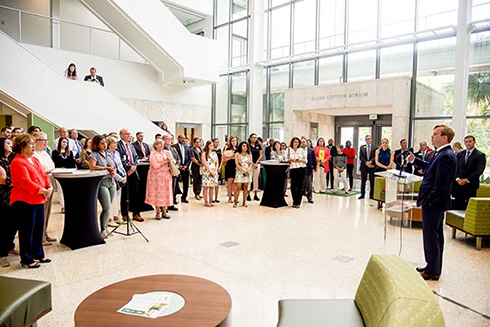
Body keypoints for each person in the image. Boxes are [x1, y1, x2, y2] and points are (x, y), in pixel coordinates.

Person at [407, 124, 457, 280]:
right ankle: (432, 265)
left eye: (435, 134)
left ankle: (433, 271)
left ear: (444, 138)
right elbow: (430, 169)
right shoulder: (441, 154)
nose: (432, 137)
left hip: (434, 203)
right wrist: (415, 160)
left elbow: (441, 185)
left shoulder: (446, 155)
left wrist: (428, 200)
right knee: (434, 236)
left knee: (431, 237)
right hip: (434, 203)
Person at [10, 133, 52, 268]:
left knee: (38, 229)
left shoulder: (34, 159)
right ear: (22, 146)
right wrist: (42, 190)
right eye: (31, 144)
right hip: (24, 201)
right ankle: (27, 259)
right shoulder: (17, 162)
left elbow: (43, 175)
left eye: (34, 144)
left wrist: (49, 186)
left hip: (38, 199)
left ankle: (38, 254)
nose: (34, 146)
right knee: (27, 230)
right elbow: (25, 182)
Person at [88, 135, 116, 237]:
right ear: (97, 145)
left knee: (109, 206)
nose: (105, 145)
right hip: (102, 182)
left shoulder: (108, 153)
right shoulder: (94, 155)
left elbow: (113, 165)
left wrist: (113, 170)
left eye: (105, 143)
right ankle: (102, 229)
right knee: (106, 206)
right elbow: (92, 166)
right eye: (102, 143)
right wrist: (106, 168)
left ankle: (106, 227)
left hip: (111, 181)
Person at [32, 132, 57, 246]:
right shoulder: (34, 155)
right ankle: (40, 236)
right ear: (36, 142)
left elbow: (52, 166)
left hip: (49, 181)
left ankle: (45, 233)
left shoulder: (45, 153)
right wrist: (49, 171)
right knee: (42, 210)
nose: (46, 142)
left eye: (47, 140)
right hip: (41, 183)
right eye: (43, 140)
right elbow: (38, 171)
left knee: (48, 210)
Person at [451, 135, 486, 210]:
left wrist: (467, 180)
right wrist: (457, 178)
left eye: (470, 141)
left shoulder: (480, 155)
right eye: (466, 142)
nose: (468, 143)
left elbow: (479, 170)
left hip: (471, 185)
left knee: (468, 208)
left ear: (474, 142)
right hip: (458, 184)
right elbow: (456, 167)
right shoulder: (460, 154)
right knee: (457, 206)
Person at [116, 129, 143, 222]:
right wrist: (129, 168)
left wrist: (134, 166)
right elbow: (119, 159)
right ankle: (125, 214)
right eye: (126, 134)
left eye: (129, 134)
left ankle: (136, 213)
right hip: (125, 172)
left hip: (133, 171)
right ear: (121, 135)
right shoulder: (118, 145)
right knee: (125, 194)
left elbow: (135, 157)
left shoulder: (131, 145)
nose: (128, 136)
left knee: (135, 193)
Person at [145, 138, 173, 219]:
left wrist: (169, 160)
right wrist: (164, 162)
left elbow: (172, 161)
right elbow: (155, 165)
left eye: (162, 144)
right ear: (155, 145)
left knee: (165, 194)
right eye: (159, 144)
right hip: (156, 177)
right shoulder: (153, 154)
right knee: (157, 194)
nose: (161, 145)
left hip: (166, 175)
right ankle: (157, 212)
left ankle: (164, 211)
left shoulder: (167, 152)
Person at [0, 137, 17, 267]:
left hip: (13, 195)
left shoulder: (12, 159)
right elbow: (3, 180)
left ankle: (10, 247)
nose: (11, 145)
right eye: (7, 143)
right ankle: (2, 255)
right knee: (3, 226)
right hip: (2, 196)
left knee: (13, 224)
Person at [106, 136, 126, 227]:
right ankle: (109, 219)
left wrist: (124, 175)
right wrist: (120, 178)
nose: (116, 144)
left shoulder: (117, 153)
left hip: (120, 177)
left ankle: (116, 216)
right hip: (112, 178)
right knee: (112, 199)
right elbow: (111, 169)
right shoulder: (106, 154)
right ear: (109, 145)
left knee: (118, 198)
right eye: (114, 143)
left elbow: (120, 165)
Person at [286, 137, 307, 208]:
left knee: (300, 186)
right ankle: (294, 201)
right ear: (292, 142)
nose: (296, 143)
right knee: (293, 186)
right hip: (293, 168)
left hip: (301, 168)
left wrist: (300, 160)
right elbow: (286, 159)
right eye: (295, 142)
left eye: (298, 142)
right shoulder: (288, 149)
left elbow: (305, 160)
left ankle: (298, 202)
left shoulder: (301, 150)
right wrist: (291, 159)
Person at [172, 134, 191, 203]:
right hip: (177, 167)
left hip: (185, 168)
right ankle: (174, 198)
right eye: (182, 138)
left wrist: (186, 165)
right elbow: (173, 158)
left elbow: (189, 158)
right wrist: (179, 165)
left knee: (186, 183)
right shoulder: (173, 147)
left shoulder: (187, 147)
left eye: (184, 138)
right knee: (175, 183)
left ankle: (184, 197)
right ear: (178, 138)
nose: (183, 140)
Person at [201, 140, 219, 207]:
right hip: (207, 171)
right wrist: (210, 171)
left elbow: (217, 163)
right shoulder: (204, 153)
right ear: (207, 146)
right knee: (206, 187)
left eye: (212, 145)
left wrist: (215, 170)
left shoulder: (214, 153)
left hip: (214, 171)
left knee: (212, 187)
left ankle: (211, 200)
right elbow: (205, 163)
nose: (212, 147)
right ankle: (206, 201)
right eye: (210, 145)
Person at [234, 141, 252, 208]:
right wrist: (243, 170)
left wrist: (247, 170)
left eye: (246, 146)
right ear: (241, 147)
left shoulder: (249, 154)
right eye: (243, 146)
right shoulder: (238, 154)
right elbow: (237, 164)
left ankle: (244, 202)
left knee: (245, 187)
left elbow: (250, 164)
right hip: (240, 172)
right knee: (238, 187)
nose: (245, 147)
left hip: (247, 172)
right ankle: (235, 202)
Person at [358, 135, 376, 200]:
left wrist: (370, 162)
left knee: (372, 181)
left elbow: (375, 156)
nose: (368, 140)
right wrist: (366, 162)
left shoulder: (375, 147)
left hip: (371, 166)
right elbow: (361, 156)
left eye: (369, 139)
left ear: (371, 139)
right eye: (366, 139)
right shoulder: (362, 147)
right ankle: (362, 194)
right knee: (363, 181)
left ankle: (372, 195)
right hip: (364, 166)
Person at [166, 135, 180, 211]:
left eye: (171, 139)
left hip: (174, 171)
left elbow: (178, 159)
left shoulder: (173, 149)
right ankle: (164, 206)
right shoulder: (162, 150)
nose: (170, 141)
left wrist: (177, 166)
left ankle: (171, 204)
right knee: (166, 190)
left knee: (173, 188)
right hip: (166, 172)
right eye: (168, 139)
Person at [222, 135, 238, 203]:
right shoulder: (227, 148)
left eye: (235, 141)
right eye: (232, 141)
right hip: (229, 166)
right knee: (230, 182)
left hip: (236, 166)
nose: (234, 142)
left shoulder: (238, 149)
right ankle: (229, 198)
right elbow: (225, 158)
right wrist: (232, 156)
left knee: (235, 183)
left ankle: (235, 198)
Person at [301, 137, 316, 204]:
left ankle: (309, 197)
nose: (302, 143)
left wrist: (313, 167)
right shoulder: (298, 150)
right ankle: (299, 197)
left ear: (306, 142)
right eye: (301, 142)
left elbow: (314, 160)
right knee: (301, 184)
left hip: (308, 169)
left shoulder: (311, 150)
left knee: (309, 184)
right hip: (300, 169)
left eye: (304, 142)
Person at [248, 133, 262, 201]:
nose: (254, 139)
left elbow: (260, 155)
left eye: (255, 137)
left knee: (256, 179)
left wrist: (256, 163)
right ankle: (248, 194)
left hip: (257, 164)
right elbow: (247, 155)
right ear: (250, 138)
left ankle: (255, 194)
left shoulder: (258, 145)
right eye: (253, 137)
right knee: (249, 179)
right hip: (250, 164)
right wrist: (252, 163)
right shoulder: (248, 146)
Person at [212, 138, 222, 203]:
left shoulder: (219, 150)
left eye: (218, 142)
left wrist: (220, 167)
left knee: (217, 184)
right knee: (212, 184)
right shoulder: (211, 150)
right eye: (215, 142)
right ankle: (211, 197)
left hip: (218, 168)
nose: (216, 143)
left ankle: (216, 197)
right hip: (212, 167)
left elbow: (221, 159)